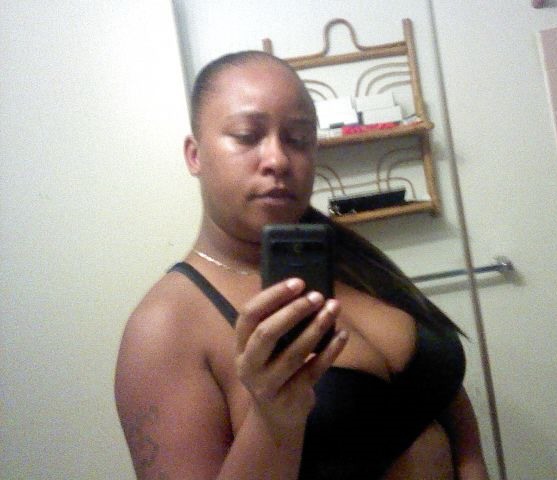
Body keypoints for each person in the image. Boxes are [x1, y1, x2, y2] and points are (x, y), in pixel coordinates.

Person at [115, 50, 489, 480]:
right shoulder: (163, 328)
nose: (277, 159)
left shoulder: (346, 255)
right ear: (195, 155)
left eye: (298, 138)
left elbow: (449, 409)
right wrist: (274, 417)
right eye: (246, 136)